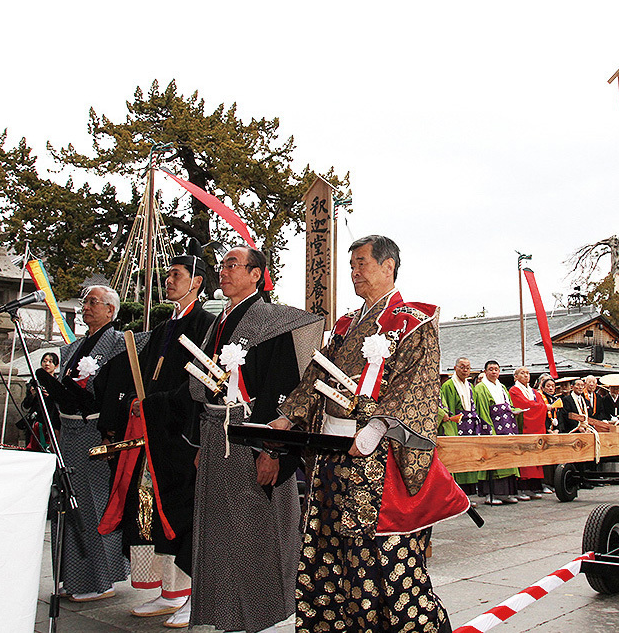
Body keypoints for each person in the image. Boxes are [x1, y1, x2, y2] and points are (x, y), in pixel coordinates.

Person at [271, 235, 459, 633]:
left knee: (381, 554)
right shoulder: (344, 325)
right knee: (329, 547)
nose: (354, 272)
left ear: (388, 266)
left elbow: (416, 383)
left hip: (378, 456)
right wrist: (289, 415)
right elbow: (318, 373)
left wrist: (378, 425)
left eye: (362, 264)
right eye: (351, 265)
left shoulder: (414, 319)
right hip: (331, 452)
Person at [180, 245, 323, 632]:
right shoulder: (218, 321)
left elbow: (283, 390)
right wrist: (199, 445)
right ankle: (225, 612)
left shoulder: (272, 321)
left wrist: (272, 451)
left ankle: (265, 616)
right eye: (221, 265)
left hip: (252, 435)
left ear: (257, 274)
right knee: (219, 532)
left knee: (257, 530)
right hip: (215, 434)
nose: (222, 272)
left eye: (232, 265)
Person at [99, 244, 215, 626]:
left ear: (197, 282)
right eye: (167, 275)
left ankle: (191, 593)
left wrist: (156, 405)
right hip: (153, 430)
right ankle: (166, 591)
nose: (168, 281)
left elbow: (198, 382)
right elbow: (143, 374)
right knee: (149, 506)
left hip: (183, 431)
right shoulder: (164, 328)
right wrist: (135, 401)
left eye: (176, 275)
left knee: (181, 509)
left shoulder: (204, 325)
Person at [39, 285, 130, 603]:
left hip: (95, 431)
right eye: (85, 302)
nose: (86, 307)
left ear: (111, 310)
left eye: (94, 302)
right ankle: (72, 577)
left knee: (94, 503)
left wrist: (112, 432)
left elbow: (119, 391)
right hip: (69, 431)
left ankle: (100, 579)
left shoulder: (119, 344)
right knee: (66, 502)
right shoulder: (71, 349)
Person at [473, 360, 521, 505]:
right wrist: (488, 429)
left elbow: (509, 405)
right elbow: (482, 410)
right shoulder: (481, 388)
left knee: (508, 458)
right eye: (491, 369)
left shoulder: (502, 387)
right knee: (492, 458)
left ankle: (506, 493)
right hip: (493, 425)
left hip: (507, 427)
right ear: (485, 371)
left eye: (496, 369)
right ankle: (491, 493)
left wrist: (514, 411)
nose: (494, 372)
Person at [439, 357, 486, 499]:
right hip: (457, 424)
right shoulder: (448, 386)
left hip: (471, 424)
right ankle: (458, 495)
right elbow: (448, 408)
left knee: (469, 457)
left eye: (468, 367)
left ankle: (470, 493)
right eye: (462, 367)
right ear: (455, 368)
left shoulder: (470, 386)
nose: (465, 370)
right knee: (458, 458)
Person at [509, 368, 548, 500]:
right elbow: (524, 405)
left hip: (536, 428)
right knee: (524, 459)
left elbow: (540, 404)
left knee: (535, 459)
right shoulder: (513, 391)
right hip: (525, 427)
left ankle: (534, 487)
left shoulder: (534, 391)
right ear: (515, 377)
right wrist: (539, 407)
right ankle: (523, 488)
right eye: (522, 373)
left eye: (527, 373)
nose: (525, 375)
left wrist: (538, 406)